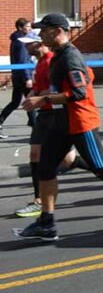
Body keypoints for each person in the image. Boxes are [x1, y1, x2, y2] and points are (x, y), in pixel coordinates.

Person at [13, 13, 103, 241]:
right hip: (61, 122)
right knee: (45, 168)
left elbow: (78, 93)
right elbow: (87, 76)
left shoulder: (70, 56)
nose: (40, 34)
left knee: (101, 168)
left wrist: (43, 99)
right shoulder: (58, 55)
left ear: (58, 31)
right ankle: (46, 223)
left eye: (44, 30)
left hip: (81, 122)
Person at [12, 30, 96, 219]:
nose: (26, 47)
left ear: (39, 43)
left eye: (29, 43)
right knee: (39, 156)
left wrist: (40, 97)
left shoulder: (52, 60)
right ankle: (39, 200)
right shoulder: (40, 62)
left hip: (55, 113)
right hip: (43, 114)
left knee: (60, 160)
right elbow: (38, 87)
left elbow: (65, 87)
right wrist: (32, 95)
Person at [0, 18, 36, 137]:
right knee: (31, 101)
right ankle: (36, 128)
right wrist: (27, 78)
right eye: (28, 27)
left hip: (17, 75)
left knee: (15, 102)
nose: (30, 29)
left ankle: (33, 124)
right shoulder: (21, 42)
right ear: (20, 28)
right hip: (22, 76)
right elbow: (22, 61)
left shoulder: (16, 39)